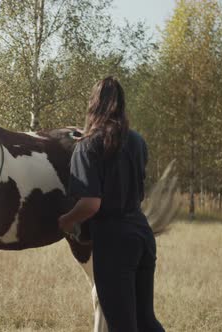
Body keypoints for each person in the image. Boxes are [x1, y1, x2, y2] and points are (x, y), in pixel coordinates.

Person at [58, 77, 164, 332]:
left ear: (94, 104)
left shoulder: (87, 147)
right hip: (142, 235)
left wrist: (66, 221)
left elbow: (91, 204)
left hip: (114, 241)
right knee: (145, 320)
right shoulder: (138, 141)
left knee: (122, 325)